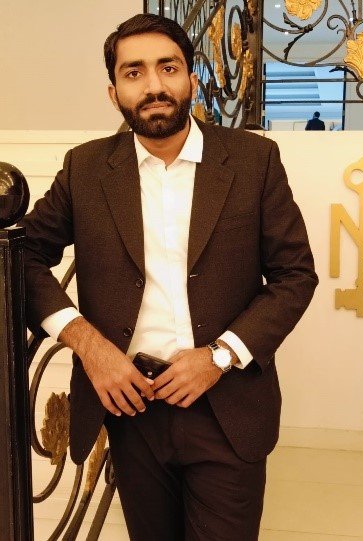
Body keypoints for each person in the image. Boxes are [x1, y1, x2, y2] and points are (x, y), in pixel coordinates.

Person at [21, 14, 318, 541]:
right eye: (133, 72)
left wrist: (220, 356)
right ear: (113, 93)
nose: (154, 85)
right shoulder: (85, 168)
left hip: (226, 406)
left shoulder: (254, 160)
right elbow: (22, 256)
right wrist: (89, 346)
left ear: (192, 80)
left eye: (168, 67)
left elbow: (295, 276)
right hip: (129, 407)